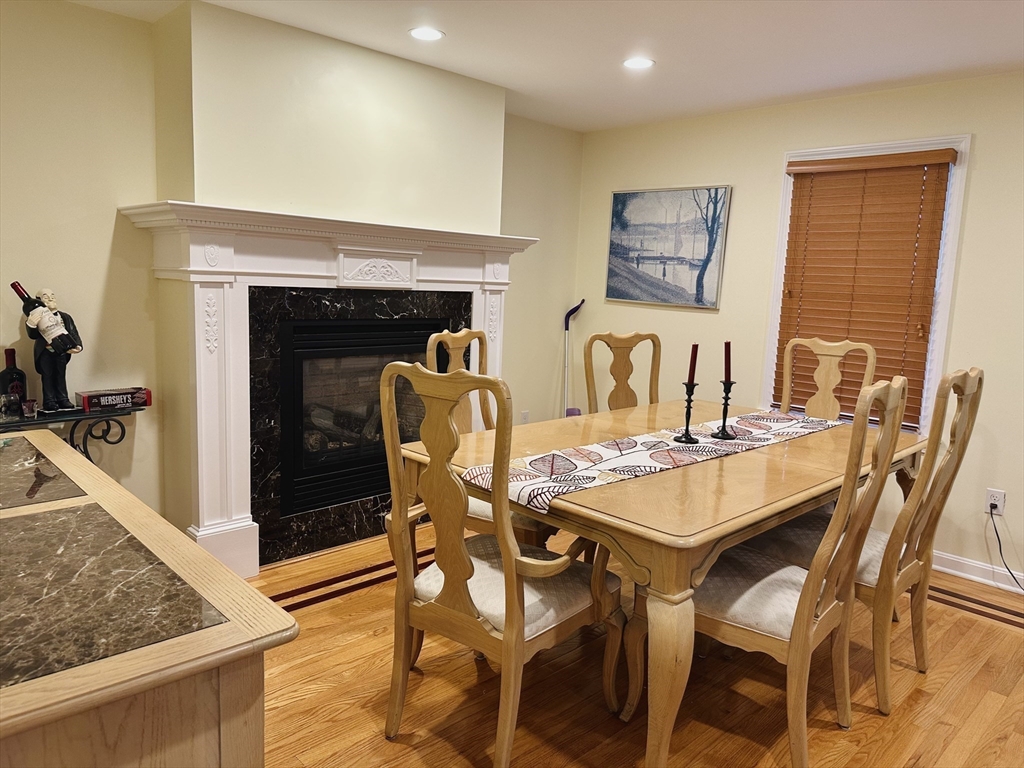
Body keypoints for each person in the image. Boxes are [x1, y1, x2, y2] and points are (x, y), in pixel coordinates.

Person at [26, 288, 82, 412]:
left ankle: (63, 399)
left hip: (61, 352)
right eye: (46, 297)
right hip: (45, 352)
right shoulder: (37, 317)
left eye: (52, 296)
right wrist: (30, 324)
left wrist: (78, 346)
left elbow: (73, 332)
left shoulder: (65, 317)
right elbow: (33, 335)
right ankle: (49, 401)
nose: (51, 299)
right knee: (47, 376)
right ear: (39, 300)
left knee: (60, 375)